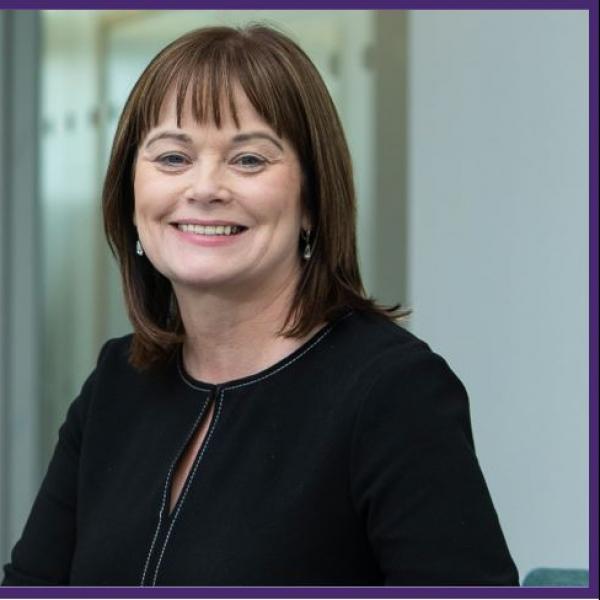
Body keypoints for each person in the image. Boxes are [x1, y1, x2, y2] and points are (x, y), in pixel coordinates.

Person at [2, 25, 518, 586]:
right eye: (172, 157)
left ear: (312, 202)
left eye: (248, 160)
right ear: (130, 199)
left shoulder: (392, 392)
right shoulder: (115, 384)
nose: (204, 187)